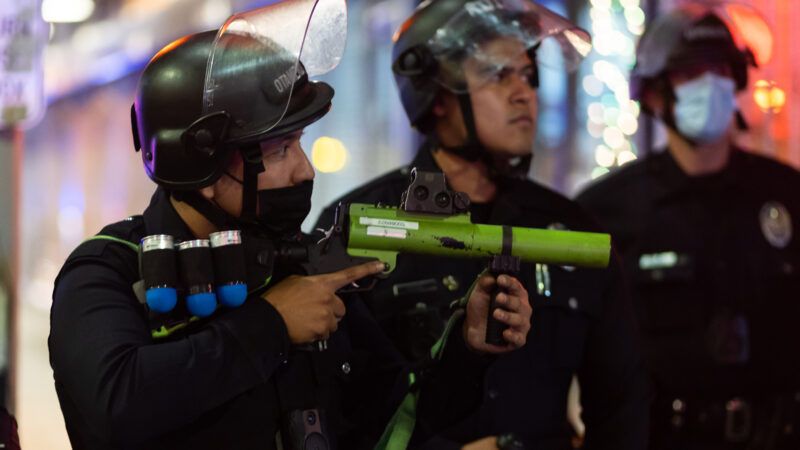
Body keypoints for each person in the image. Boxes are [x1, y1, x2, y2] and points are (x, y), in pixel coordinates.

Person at [48, 2, 533, 449]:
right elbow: (112, 407)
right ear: (207, 168)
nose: (305, 170)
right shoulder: (107, 269)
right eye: (280, 150)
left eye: (299, 143)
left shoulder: (303, 267)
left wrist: (466, 351)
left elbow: (393, 425)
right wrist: (272, 325)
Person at [315, 0, 648, 448]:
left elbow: (620, 408)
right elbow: (335, 411)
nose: (523, 92)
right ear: (435, 97)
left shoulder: (569, 229)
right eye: (497, 73)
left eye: (529, 75)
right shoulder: (363, 225)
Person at [575, 3, 800, 449]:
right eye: (691, 73)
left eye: (719, 69)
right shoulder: (606, 210)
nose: (710, 85)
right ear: (656, 94)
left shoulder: (789, 196)